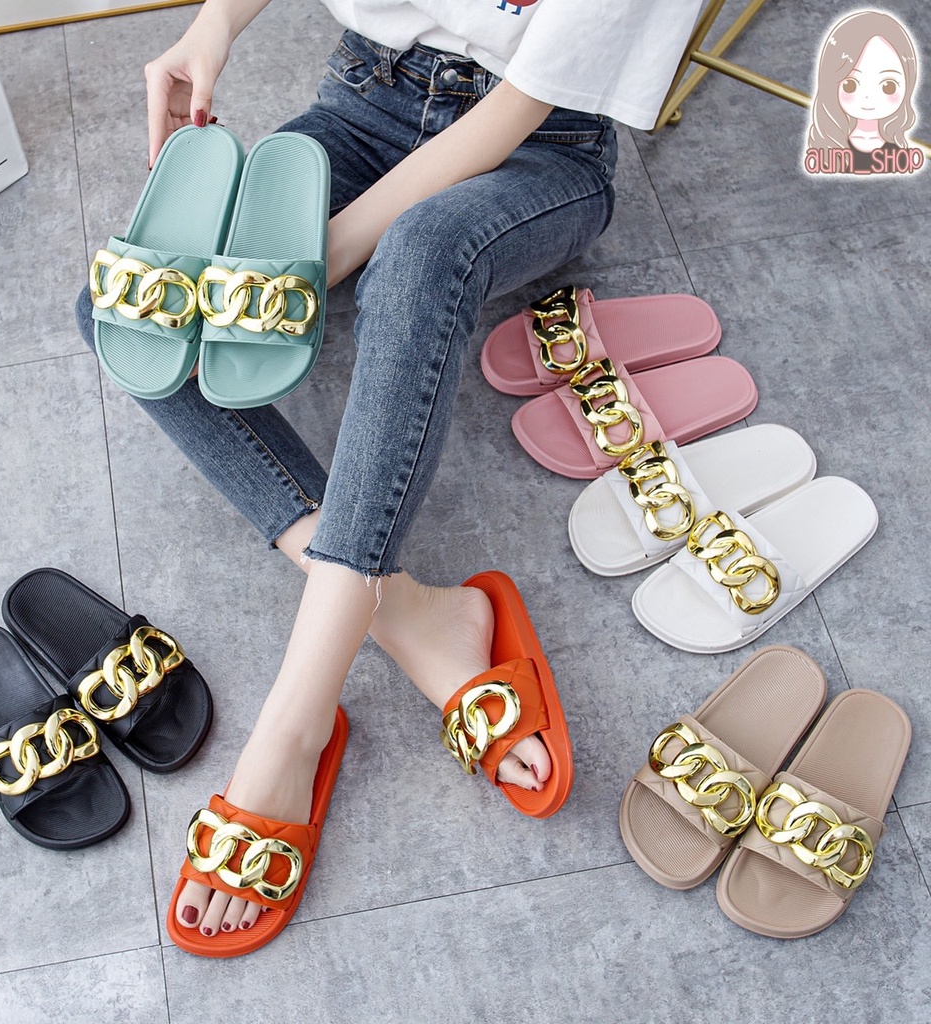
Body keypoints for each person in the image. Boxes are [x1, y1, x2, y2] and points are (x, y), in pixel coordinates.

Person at [76, 0, 704, 954]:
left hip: (541, 149)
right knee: (123, 311)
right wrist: (214, 26)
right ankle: (406, 614)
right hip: (364, 99)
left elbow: (525, 103)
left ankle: (293, 726)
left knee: (415, 260)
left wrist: (325, 253)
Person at [806, 10, 918, 174]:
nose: (868, 98)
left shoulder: (899, 151)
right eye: (850, 85)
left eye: (888, 86)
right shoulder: (828, 148)